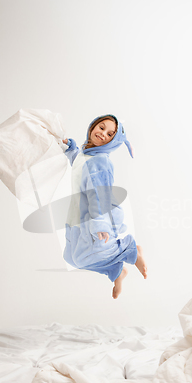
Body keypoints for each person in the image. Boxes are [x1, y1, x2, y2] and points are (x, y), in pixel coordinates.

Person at [62, 114, 147, 299]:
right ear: (93, 126)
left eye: (110, 135)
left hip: (96, 215)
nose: (103, 134)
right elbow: (79, 162)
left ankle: (130, 250)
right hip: (78, 214)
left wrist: (100, 223)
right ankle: (116, 271)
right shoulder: (87, 154)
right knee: (72, 258)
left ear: (113, 142)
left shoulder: (101, 162)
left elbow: (101, 193)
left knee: (91, 253)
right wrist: (71, 149)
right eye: (101, 128)